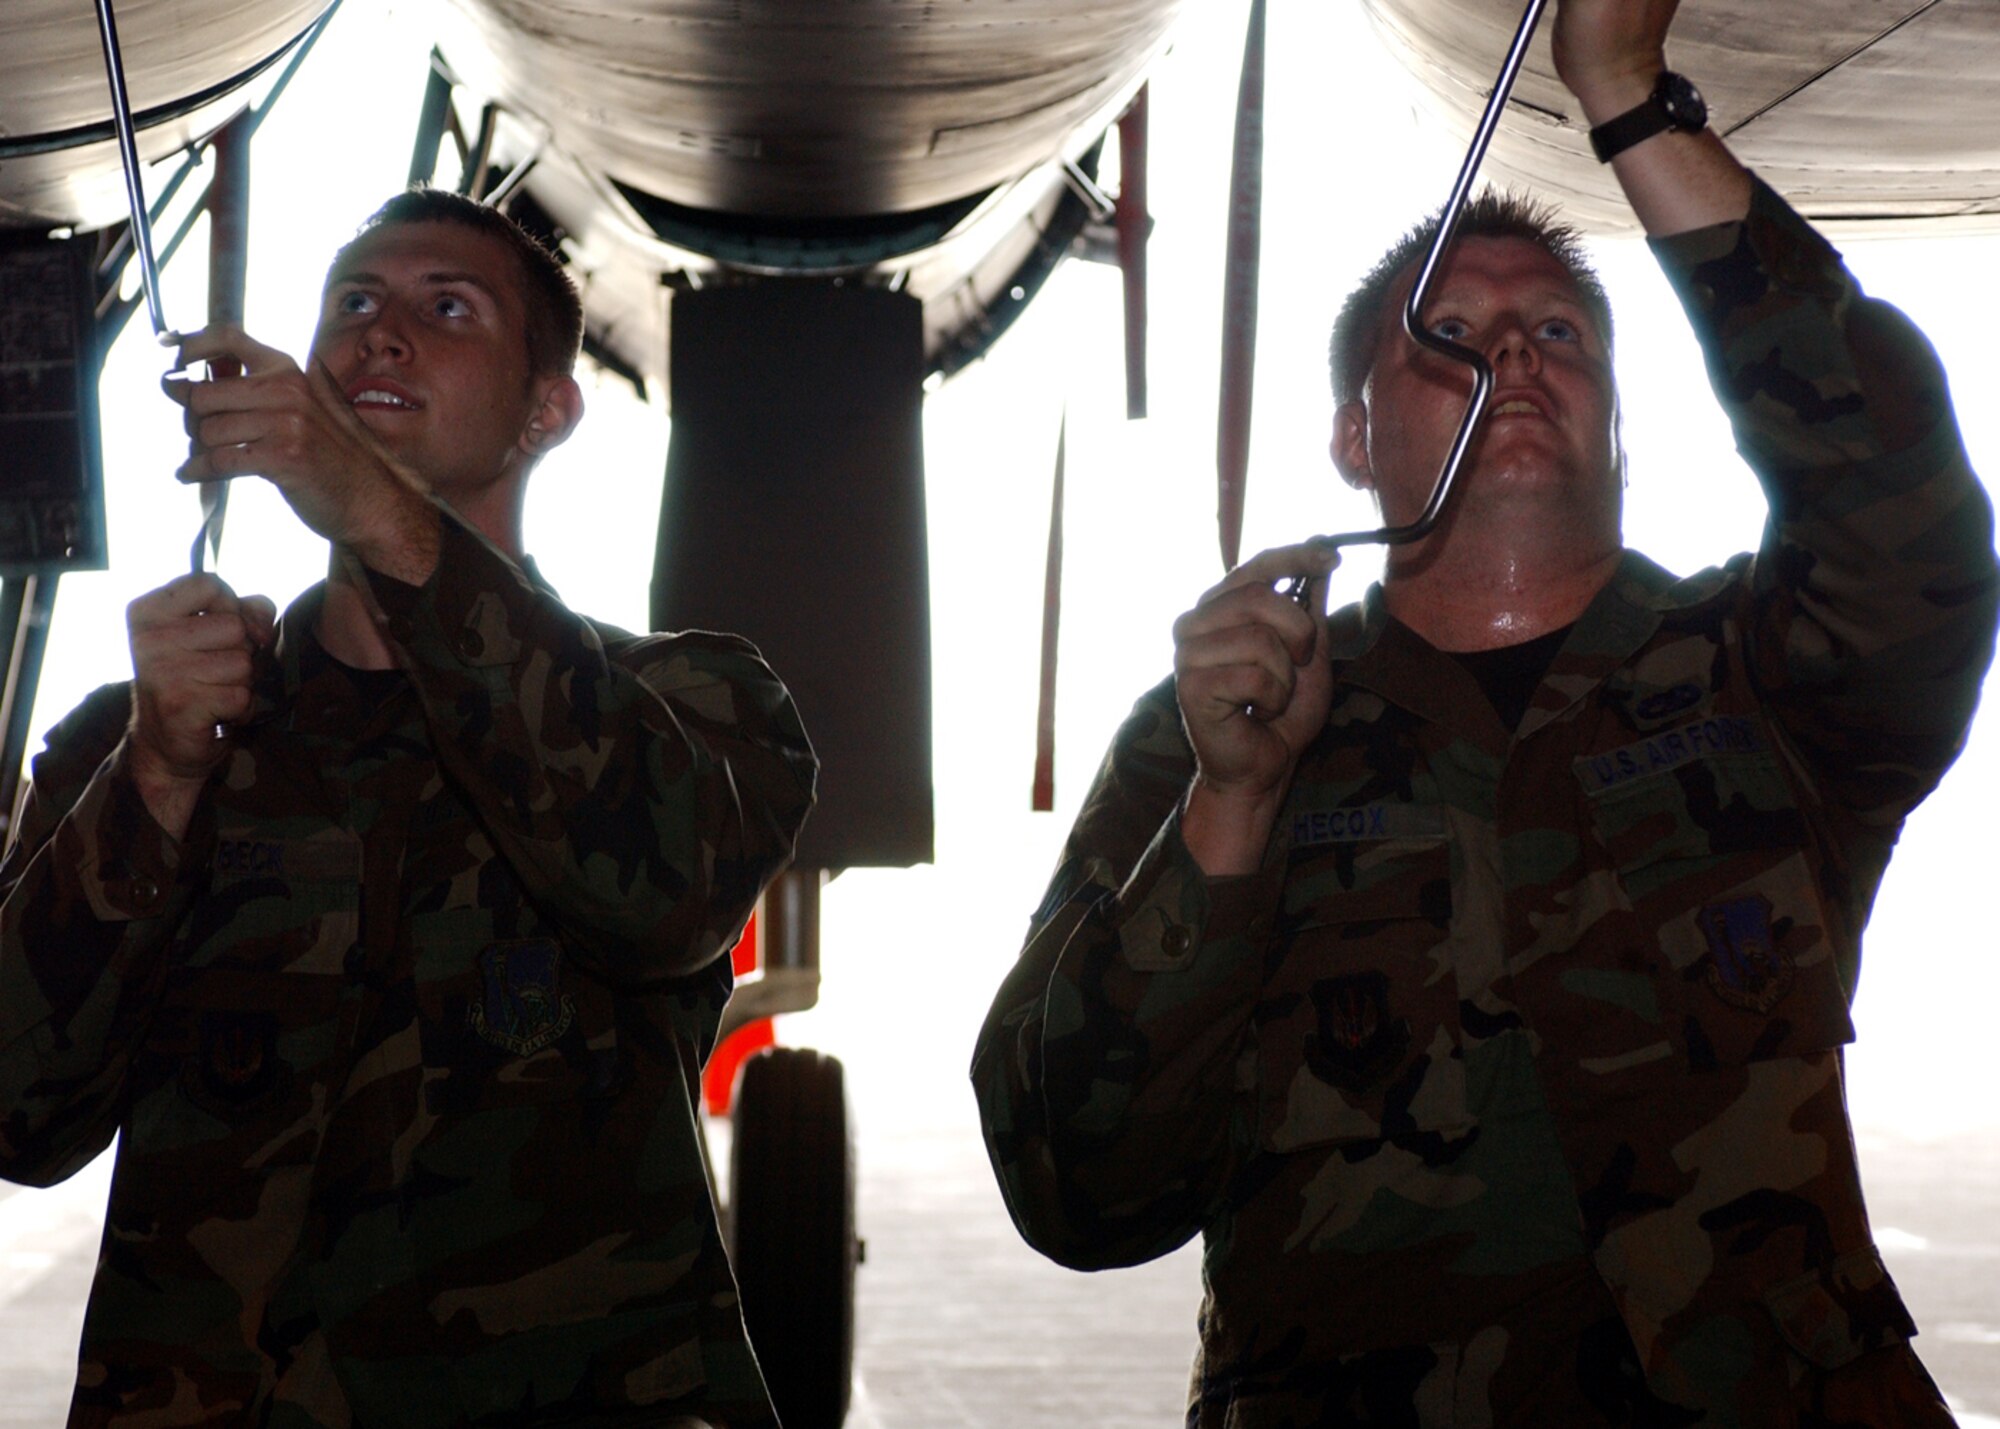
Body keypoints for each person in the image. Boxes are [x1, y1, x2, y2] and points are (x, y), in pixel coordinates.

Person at [972, 0, 1998, 1422]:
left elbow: (1899, 502)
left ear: (1625, 423)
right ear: (1351, 437)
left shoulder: (1769, 674)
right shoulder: (1216, 734)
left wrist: (1628, 104)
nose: (1513, 356)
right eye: (1447, 335)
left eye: (1559, 331)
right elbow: (1078, 1190)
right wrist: (1231, 811)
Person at [0, 189, 815, 1427]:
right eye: (355, 305)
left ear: (549, 409)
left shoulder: (685, 699)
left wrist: (379, 511)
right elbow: (20, 1111)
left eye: (448, 309)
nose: (382, 334)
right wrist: (158, 777)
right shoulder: (144, 734)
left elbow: (660, 893)